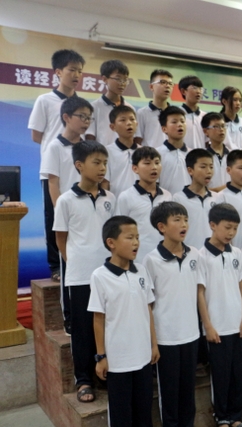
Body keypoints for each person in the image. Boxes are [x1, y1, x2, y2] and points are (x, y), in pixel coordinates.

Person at [53, 141, 116, 403]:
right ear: (79, 165)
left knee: (109, 325)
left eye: (105, 163)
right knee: (83, 329)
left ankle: (106, 374)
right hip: (80, 276)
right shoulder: (66, 200)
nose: (102, 168)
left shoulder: (110, 198)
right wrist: (76, 263)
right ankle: (84, 379)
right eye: (96, 162)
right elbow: (60, 239)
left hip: (108, 272)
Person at [89, 216, 158, 427]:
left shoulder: (141, 271)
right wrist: (101, 356)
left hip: (143, 356)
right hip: (118, 361)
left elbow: (148, 309)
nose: (136, 243)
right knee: (121, 415)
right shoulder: (100, 276)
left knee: (144, 412)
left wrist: (154, 344)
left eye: (137, 237)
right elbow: (98, 319)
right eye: (130, 238)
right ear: (111, 242)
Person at [29, 49, 84, 284]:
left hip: (79, 170)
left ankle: (78, 261)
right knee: (54, 217)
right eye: (72, 70)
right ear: (59, 72)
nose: (77, 75)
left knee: (79, 216)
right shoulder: (45, 100)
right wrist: (58, 151)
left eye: (80, 71)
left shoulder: (82, 105)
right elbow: (37, 135)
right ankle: (56, 265)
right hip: (53, 169)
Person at [144, 202, 201, 426]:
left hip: (191, 334)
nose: (184, 224)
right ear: (162, 227)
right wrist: (153, 342)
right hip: (166, 337)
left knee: (188, 390)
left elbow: (199, 292)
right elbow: (148, 304)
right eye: (177, 220)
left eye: (185, 219)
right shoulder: (151, 260)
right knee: (169, 392)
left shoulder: (194, 254)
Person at [197, 203, 242, 427]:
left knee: (238, 373)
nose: (231, 233)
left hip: (238, 325)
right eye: (227, 227)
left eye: (235, 229)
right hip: (217, 327)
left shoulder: (236, 253)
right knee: (221, 375)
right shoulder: (201, 256)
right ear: (212, 225)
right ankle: (222, 417)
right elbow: (200, 293)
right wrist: (208, 326)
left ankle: (236, 416)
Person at [115, 146, 172, 261]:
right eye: (147, 163)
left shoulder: (167, 196)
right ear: (135, 168)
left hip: (163, 257)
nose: (154, 167)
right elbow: (120, 230)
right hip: (137, 258)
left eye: (157, 163)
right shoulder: (126, 197)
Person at [42, 97, 93, 207]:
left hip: (87, 206)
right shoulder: (55, 147)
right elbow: (53, 184)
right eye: (82, 116)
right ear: (66, 117)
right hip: (67, 207)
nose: (86, 121)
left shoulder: (89, 148)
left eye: (89, 118)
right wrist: (60, 210)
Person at [172, 148, 215, 249]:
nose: (209, 171)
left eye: (211, 167)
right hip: (188, 253)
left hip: (212, 254)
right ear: (190, 170)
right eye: (203, 167)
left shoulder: (217, 198)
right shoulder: (178, 199)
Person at [86, 59, 134, 146]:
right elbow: (90, 136)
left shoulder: (130, 108)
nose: (122, 83)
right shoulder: (93, 107)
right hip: (101, 153)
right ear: (105, 79)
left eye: (125, 80)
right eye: (118, 79)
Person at [103, 105, 139, 197]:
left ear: (137, 124)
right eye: (123, 120)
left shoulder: (144, 152)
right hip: (116, 201)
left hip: (140, 202)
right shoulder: (106, 152)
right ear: (112, 127)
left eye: (132, 119)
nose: (129, 123)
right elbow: (105, 182)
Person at [156, 106, 191, 195]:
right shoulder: (156, 154)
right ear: (164, 129)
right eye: (174, 122)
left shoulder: (193, 154)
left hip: (189, 201)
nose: (180, 124)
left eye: (182, 121)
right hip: (165, 201)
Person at [136, 69, 173, 147]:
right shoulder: (141, 113)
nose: (167, 86)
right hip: (149, 154)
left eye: (170, 83)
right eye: (162, 82)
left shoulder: (174, 114)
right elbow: (137, 141)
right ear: (151, 86)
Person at [202, 112, 230, 189]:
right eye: (216, 126)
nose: (221, 129)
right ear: (205, 131)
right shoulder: (201, 157)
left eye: (223, 126)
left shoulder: (233, 154)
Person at [179, 75, 207, 149]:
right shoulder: (176, 114)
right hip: (181, 154)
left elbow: (207, 141)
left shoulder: (205, 116)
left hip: (201, 155)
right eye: (194, 88)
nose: (198, 91)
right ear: (183, 91)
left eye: (200, 88)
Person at [220, 86, 242, 150]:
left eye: (240, 100)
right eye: (235, 100)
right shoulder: (218, 122)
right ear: (224, 101)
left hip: (240, 155)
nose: (238, 103)